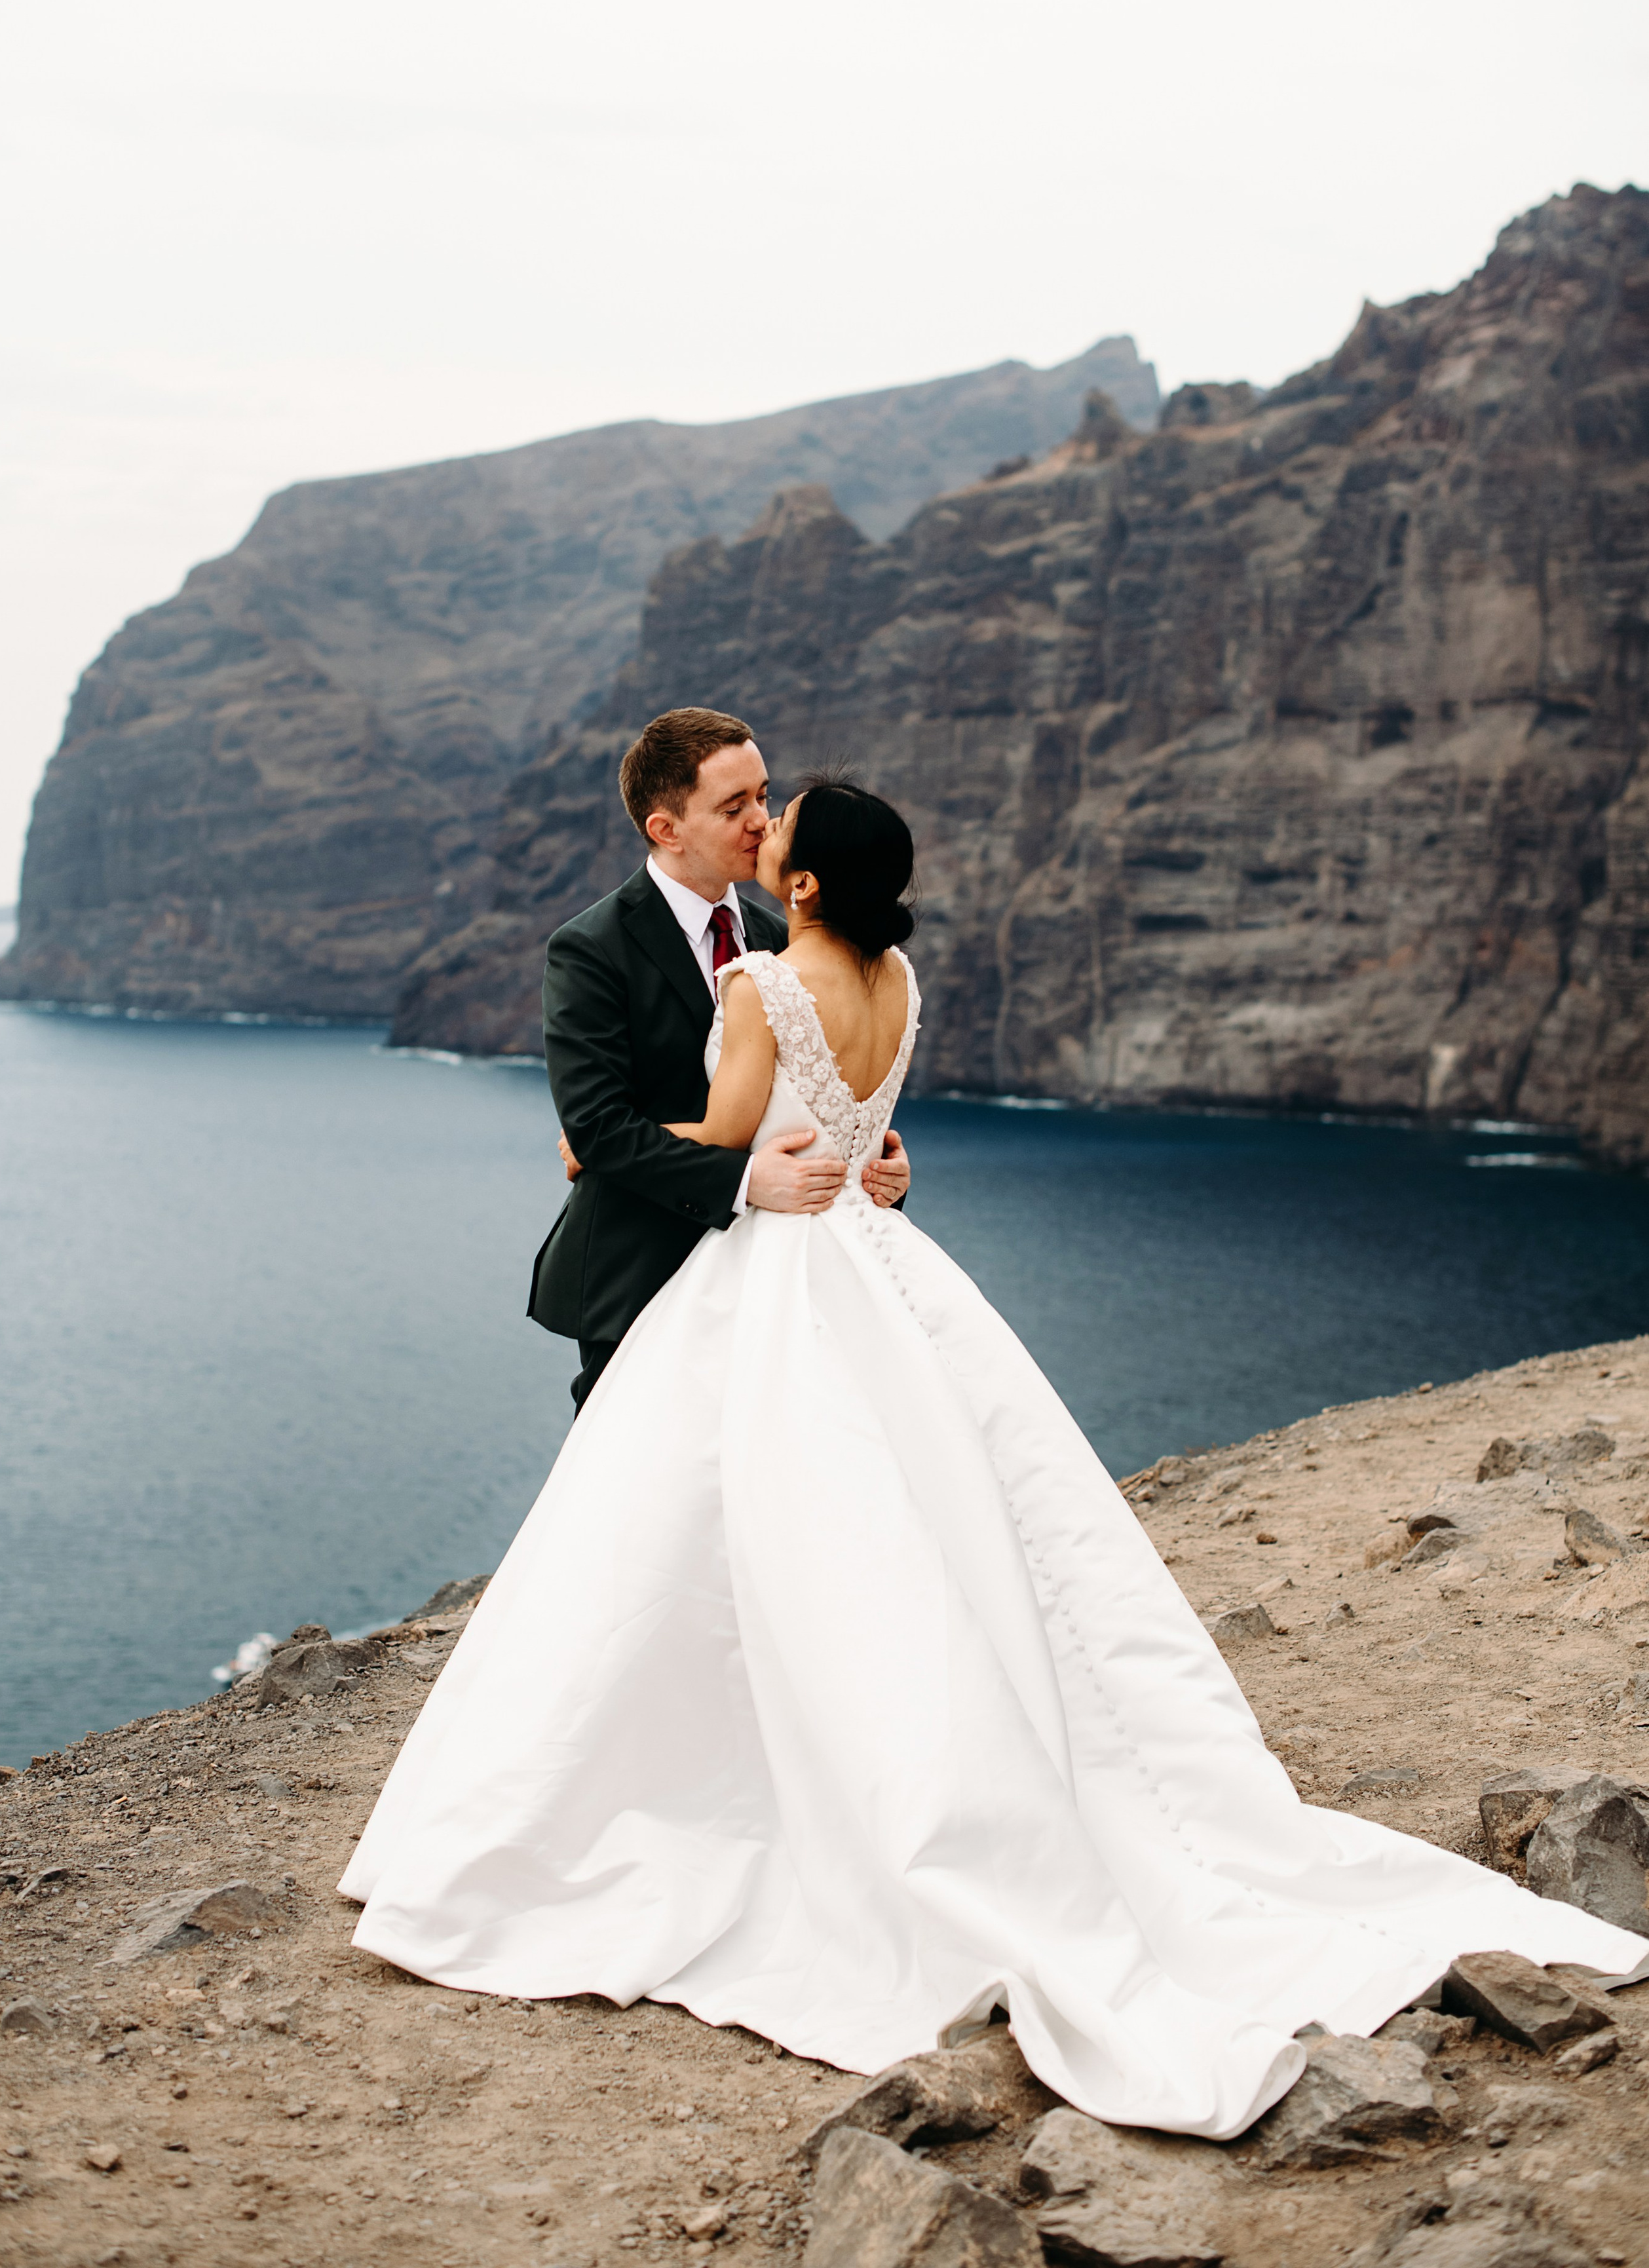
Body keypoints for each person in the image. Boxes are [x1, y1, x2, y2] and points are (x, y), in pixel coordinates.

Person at [342, 774, 1645, 2141]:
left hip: (781, 1273)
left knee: (728, 1535)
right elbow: (850, 1127)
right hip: (879, 1262)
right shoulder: (895, 976)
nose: (762, 821)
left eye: (776, 822)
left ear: (796, 886)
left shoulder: (760, 992)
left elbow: (727, 1140)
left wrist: (588, 1146)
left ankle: (707, 1786)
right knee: (919, 1522)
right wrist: (848, 1154)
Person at [525, 707, 909, 1411]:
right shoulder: (590, 950)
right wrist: (744, 1180)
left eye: (763, 795)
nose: (760, 821)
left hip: (780, 1286)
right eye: (734, 807)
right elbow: (600, 1130)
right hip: (640, 1272)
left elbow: (820, 1094)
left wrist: (877, 1162)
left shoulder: (786, 937)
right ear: (666, 830)